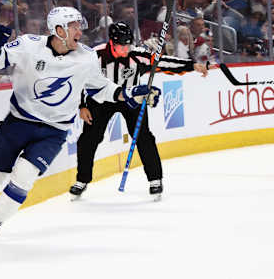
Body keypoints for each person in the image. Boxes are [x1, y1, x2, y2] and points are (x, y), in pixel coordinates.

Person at [0, 7, 161, 242]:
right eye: (74, 27)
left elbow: (101, 88)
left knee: (25, 175)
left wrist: (131, 93)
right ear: (59, 29)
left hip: (54, 131)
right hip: (18, 122)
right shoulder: (28, 46)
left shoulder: (86, 57)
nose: (80, 32)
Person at [69, 21, 209, 200]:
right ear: (111, 42)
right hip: (100, 100)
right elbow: (80, 79)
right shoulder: (95, 56)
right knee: (89, 139)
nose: (126, 49)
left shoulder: (137, 54)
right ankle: (82, 180)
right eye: (122, 45)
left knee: (144, 136)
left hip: (131, 98)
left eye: (128, 44)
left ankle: (155, 179)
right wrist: (82, 105)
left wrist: (192, 66)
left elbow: (163, 62)